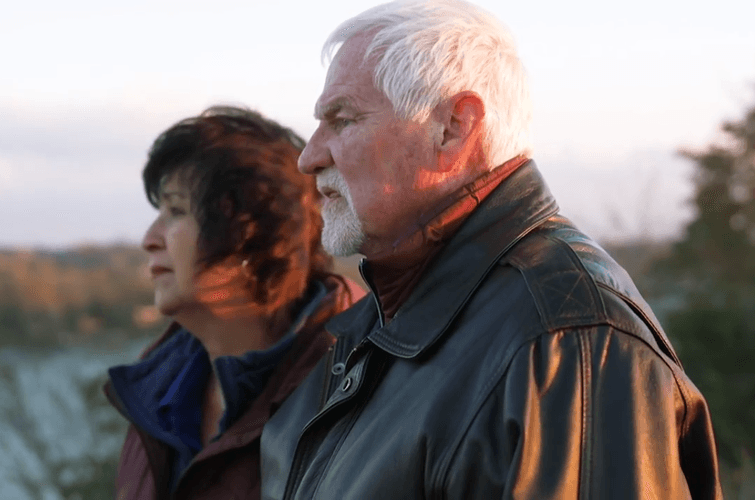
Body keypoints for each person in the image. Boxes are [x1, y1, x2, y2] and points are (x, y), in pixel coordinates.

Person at [260, 1, 723, 498]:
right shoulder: (397, 312)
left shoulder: (567, 340)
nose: (309, 156)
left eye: (343, 119)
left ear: (454, 127)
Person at [103, 106, 363, 500]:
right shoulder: (154, 392)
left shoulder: (353, 386)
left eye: (176, 211)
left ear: (251, 234)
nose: (149, 238)